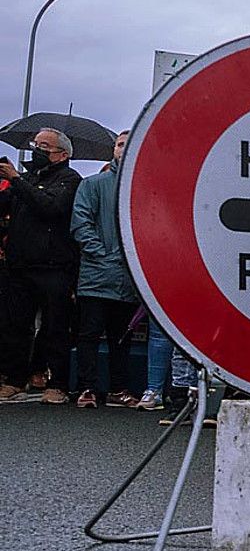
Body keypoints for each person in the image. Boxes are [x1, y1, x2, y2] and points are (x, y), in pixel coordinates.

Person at [0, 129, 83, 403]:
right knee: (16, 326)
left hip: (54, 267)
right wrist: (11, 182)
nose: (37, 149)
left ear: (62, 155)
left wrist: (17, 181)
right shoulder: (27, 178)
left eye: (43, 146)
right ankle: (14, 379)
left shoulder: (69, 180)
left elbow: (51, 207)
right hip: (19, 265)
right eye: (36, 144)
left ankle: (56, 383)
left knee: (55, 327)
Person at [70, 130, 141, 408]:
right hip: (97, 275)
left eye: (129, 144)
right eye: (120, 144)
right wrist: (103, 255)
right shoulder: (93, 184)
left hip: (128, 279)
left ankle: (118, 388)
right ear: (113, 150)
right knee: (89, 334)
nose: (123, 149)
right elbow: (81, 223)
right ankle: (86, 387)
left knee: (120, 338)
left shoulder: (143, 185)